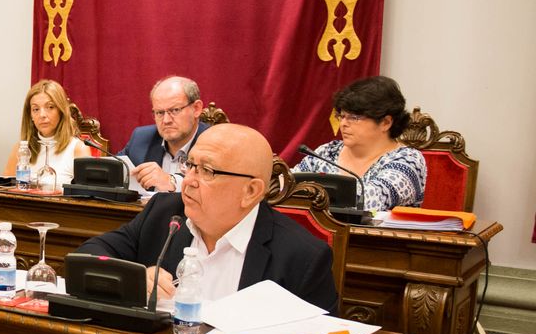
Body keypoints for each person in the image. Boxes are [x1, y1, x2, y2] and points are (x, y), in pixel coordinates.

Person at [78, 123, 338, 313]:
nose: (189, 181)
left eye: (207, 171)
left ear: (251, 191)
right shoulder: (164, 213)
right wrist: (133, 276)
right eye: (190, 165)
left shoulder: (302, 256)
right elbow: (90, 253)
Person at [293, 75, 427, 210]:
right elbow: (289, 184)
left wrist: (311, 194)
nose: (343, 124)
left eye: (354, 118)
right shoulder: (327, 152)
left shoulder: (407, 160)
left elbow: (371, 201)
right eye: (342, 116)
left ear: (385, 123)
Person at [119, 75, 209, 193]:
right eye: (160, 112)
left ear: (196, 109)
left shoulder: (214, 143)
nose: (166, 120)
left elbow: (217, 188)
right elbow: (112, 170)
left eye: (175, 110)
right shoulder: (141, 138)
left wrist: (172, 182)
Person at [3, 79, 91, 189]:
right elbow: (6, 189)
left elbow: (86, 195)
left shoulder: (78, 149)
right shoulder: (21, 149)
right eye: (36, 109)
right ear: (30, 116)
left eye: (50, 107)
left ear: (61, 111)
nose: (42, 115)